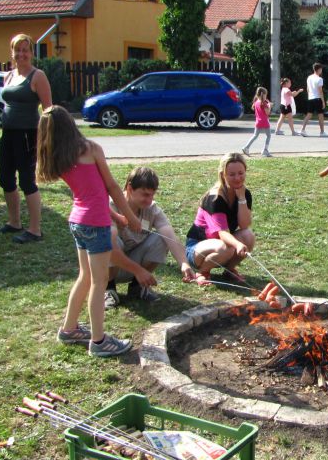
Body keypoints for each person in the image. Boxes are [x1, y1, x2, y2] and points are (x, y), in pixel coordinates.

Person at [37, 105, 139, 358]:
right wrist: (130, 216)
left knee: (85, 276)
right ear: (70, 124)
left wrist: (115, 216)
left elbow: (91, 192)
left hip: (78, 222)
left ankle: (69, 329)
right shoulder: (91, 149)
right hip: (95, 223)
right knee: (99, 282)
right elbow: (111, 187)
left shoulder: (60, 158)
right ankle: (99, 341)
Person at [105, 166, 195, 309]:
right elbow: (109, 247)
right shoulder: (111, 206)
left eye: (152, 195)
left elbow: (169, 235)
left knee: (161, 239)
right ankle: (108, 289)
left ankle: (137, 287)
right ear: (130, 188)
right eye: (145, 195)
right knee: (111, 239)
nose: (149, 200)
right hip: (107, 266)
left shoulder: (151, 209)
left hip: (133, 266)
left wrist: (184, 263)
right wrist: (138, 270)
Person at [0, 33, 52, 243]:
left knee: (27, 180)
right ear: (12, 52)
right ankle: (14, 222)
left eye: (25, 50)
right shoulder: (8, 76)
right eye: (17, 50)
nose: (21, 54)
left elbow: (48, 110)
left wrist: (46, 138)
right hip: (8, 134)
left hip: (28, 134)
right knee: (5, 178)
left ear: (31, 53)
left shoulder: (38, 76)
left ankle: (35, 230)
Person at [185, 152, 255, 280]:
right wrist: (237, 245)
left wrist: (241, 198)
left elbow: (244, 225)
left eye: (241, 173)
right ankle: (202, 272)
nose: (237, 178)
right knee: (227, 247)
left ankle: (229, 270)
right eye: (232, 174)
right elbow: (222, 233)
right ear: (223, 174)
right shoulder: (215, 198)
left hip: (221, 245)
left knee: (248, 236)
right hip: (196, 248)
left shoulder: (244, 193)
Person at [299, 63, 328, 137]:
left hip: (310, 98)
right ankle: (322, 132)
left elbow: (308, 89)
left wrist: (310, 96)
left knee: (309, 114)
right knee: (320, 115)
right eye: (321, 69)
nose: (321, 71)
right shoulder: (319, 79)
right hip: (317, 98)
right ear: (319, 69)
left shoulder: (309, 77)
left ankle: (302, 129)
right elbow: (320, 91)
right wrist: (323, 101)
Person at [241, 87, 272, 157]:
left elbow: (256, 109)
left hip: (258, 121)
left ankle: (246, 147)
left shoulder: (256, 102)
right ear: (263, 95)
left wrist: (267, 104)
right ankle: (265, 150)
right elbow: (267, 112)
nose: (266, 96)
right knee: (268, 136)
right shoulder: (264, 103)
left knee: (255, 135)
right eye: (266, 95)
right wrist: (269, 105)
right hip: (265, 122)